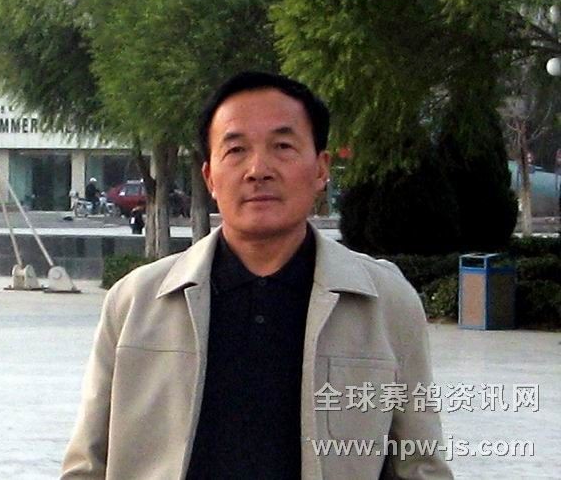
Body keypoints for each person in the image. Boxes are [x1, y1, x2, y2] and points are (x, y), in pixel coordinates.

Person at [61, 71, 453, 479]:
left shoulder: (385, 302)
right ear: (210, 178)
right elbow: (87, 466)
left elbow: (420, 466)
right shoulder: (135, 302)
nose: (258, 170)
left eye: (283, 147)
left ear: (321, 169)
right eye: (236, 150)